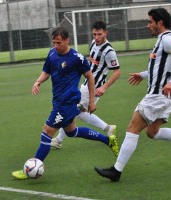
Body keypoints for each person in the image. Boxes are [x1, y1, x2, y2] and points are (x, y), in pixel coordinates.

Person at [94, 8, 171, 182]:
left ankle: (116, 171)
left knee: (132, 128)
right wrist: (143, 74)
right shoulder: (162, 40)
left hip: (157, 95)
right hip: (164, 97)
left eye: (150, 22)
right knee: (152, 132)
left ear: (160, 23)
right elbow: (161, 66)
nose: (148, 26)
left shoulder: (168, 39)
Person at [12, 27, 119, 179]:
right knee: (71, 131)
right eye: (54, 42)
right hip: (58, 101)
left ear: (67, 40)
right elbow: (46, 71)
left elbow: (90, 77)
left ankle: (31, 169)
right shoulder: (52, 54)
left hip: (67, 103)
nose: (56, 46)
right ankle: (108, 140)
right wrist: (38, 82)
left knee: (47, 132)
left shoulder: (77, 58)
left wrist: (92, 101)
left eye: (59, 43)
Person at [51, 21, 121, 149]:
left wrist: (104, 87)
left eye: (99, 34)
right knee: (77, 111)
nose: (96, 37)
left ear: (105, 33)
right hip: (86, 83)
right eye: (94, 34)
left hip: (94, 86)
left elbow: (117, 72)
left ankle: (58, 140)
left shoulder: (109, 51)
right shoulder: (94, 43)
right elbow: (91, 64)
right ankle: (108, 128)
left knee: (72, 110)